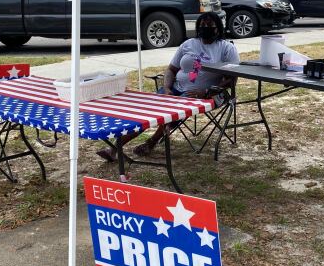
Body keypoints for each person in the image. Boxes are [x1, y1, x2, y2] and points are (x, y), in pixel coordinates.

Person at [97, 12, 240, 161]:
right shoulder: (188, 44)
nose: (205, 28)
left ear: (218, 27)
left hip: (205, 95)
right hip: (175, 89)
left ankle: (151, 143)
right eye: (202, 25)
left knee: (170, 112)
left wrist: (205, 91)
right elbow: (171, 70)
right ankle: (114, 148)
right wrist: (166, 88)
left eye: (210, 25)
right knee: (147, 112)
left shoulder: (226, 48)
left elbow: (232, 80)